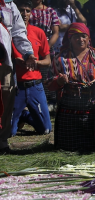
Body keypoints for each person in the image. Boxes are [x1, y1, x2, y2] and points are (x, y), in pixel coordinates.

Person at [47, 23, 95, 151]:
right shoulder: (60, 58)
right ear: (70, 39)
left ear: (89, 38)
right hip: (68, 109)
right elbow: (49, 82)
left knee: (92, 148)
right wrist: (60, 81)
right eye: (76, 37)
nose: (80, 40)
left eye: (84, 36)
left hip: (91, 108)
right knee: (67, 149)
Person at [0, 0, 36, 154]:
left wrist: (27, 52)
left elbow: (19, 32)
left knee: (6, 96)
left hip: (4, 61)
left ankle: (1, 140)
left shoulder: (9, 5)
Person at [11, 0, 52, 136]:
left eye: (28, 11)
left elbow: (48, 61)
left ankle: (26, 115)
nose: (24, 14)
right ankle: (19, 114)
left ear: (31, 13)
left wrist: (36, 63)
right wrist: (15, 60)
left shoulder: (38, 33)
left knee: (46, 130)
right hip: (16, 86)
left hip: (35, 85)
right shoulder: (7, 34)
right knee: (10, 132)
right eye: (21, 10)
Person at [30, 0, 60, 111]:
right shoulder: (27, 11)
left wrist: (45, 47)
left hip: (47, 46)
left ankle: (50, 102)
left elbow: (55, 32)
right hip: (30, 47)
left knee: (47, 75)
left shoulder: (50, 11)